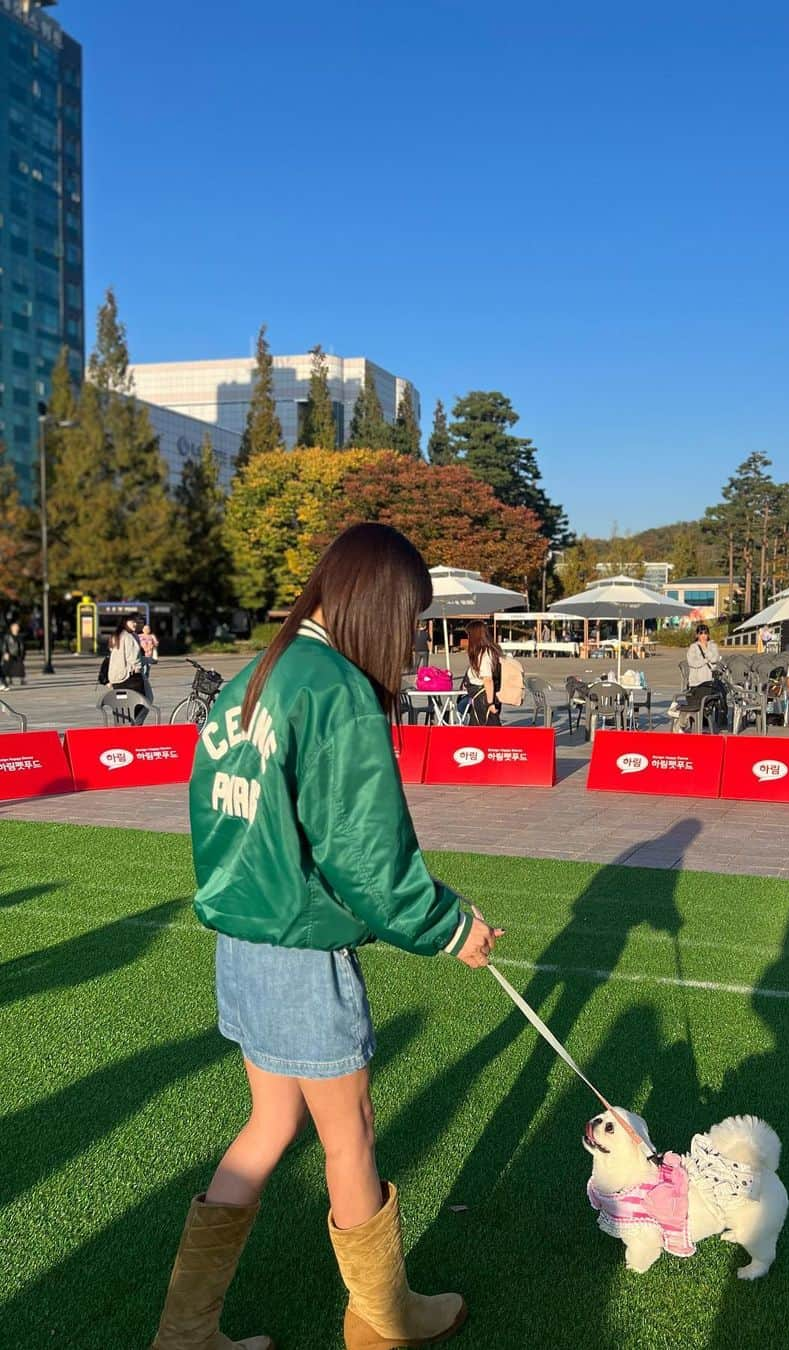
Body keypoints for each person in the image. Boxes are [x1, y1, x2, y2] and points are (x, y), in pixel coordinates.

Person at [151, 524, 502, 1350]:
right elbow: (366, 856)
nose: (412, 636)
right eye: (411, 618)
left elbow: (216, 818)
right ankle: (382, 1322)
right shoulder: (334, 687)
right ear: (381, 606)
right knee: (351, 1136)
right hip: (299, 949)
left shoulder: (255, 676)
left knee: (271, 1125)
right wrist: (451, 925)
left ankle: (184, 1333)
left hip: (243, 939)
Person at [107, 614, 149, 723]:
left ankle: (123, 728)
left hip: (116, 678)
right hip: (129, 677)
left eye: (136, 622)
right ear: (124, 622)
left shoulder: (116, 635)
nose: (135, 624)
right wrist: (139, 668)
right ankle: (135, 728)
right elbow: (133, 657)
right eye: (132, 622)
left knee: (123, 706)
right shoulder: (129, 636)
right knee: (145, 702)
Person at [463, 619, 502, 724]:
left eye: (469, 635)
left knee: (486, 731)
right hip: (480, 696)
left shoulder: (485, 654)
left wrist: (490, 704)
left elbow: (488, 680)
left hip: (483, 698)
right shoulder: (485, 651)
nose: (468, 638)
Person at [686, 623, 721, 688]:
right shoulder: (693, 647)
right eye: (701, 633)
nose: (703, 635)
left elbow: (714, 659)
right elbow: (692, 663)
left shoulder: (713, 645)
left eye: (705, 633)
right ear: (697, 635)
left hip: (711, 679)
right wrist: (706, 660)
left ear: (708, 634)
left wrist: (705, 648)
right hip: (697, 681)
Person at [1, 620, 26, 689]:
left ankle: (21, 680)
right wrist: (5, 653)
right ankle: (5, 682)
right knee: (7, 668)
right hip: (10, 654)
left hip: (18, 654)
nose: (16, 628)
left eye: (17, 627)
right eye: (15, 627)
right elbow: (4, 646)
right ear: (11, 628)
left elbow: (22, 647)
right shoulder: (8, 636)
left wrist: (23, 654)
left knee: (20, 667)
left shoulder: (20, 636)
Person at [139, 622, 159, 703]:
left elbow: (156, 643)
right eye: (145, 628)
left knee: (147, 670)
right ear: (143, 629)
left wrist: (153, 645)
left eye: (148, 629)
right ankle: (143, 682)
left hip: (149, 656)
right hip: (141, 655)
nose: (147, 630)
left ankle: (145, 681)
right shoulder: (139, 636)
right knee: (144, 669)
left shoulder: (152, 636)